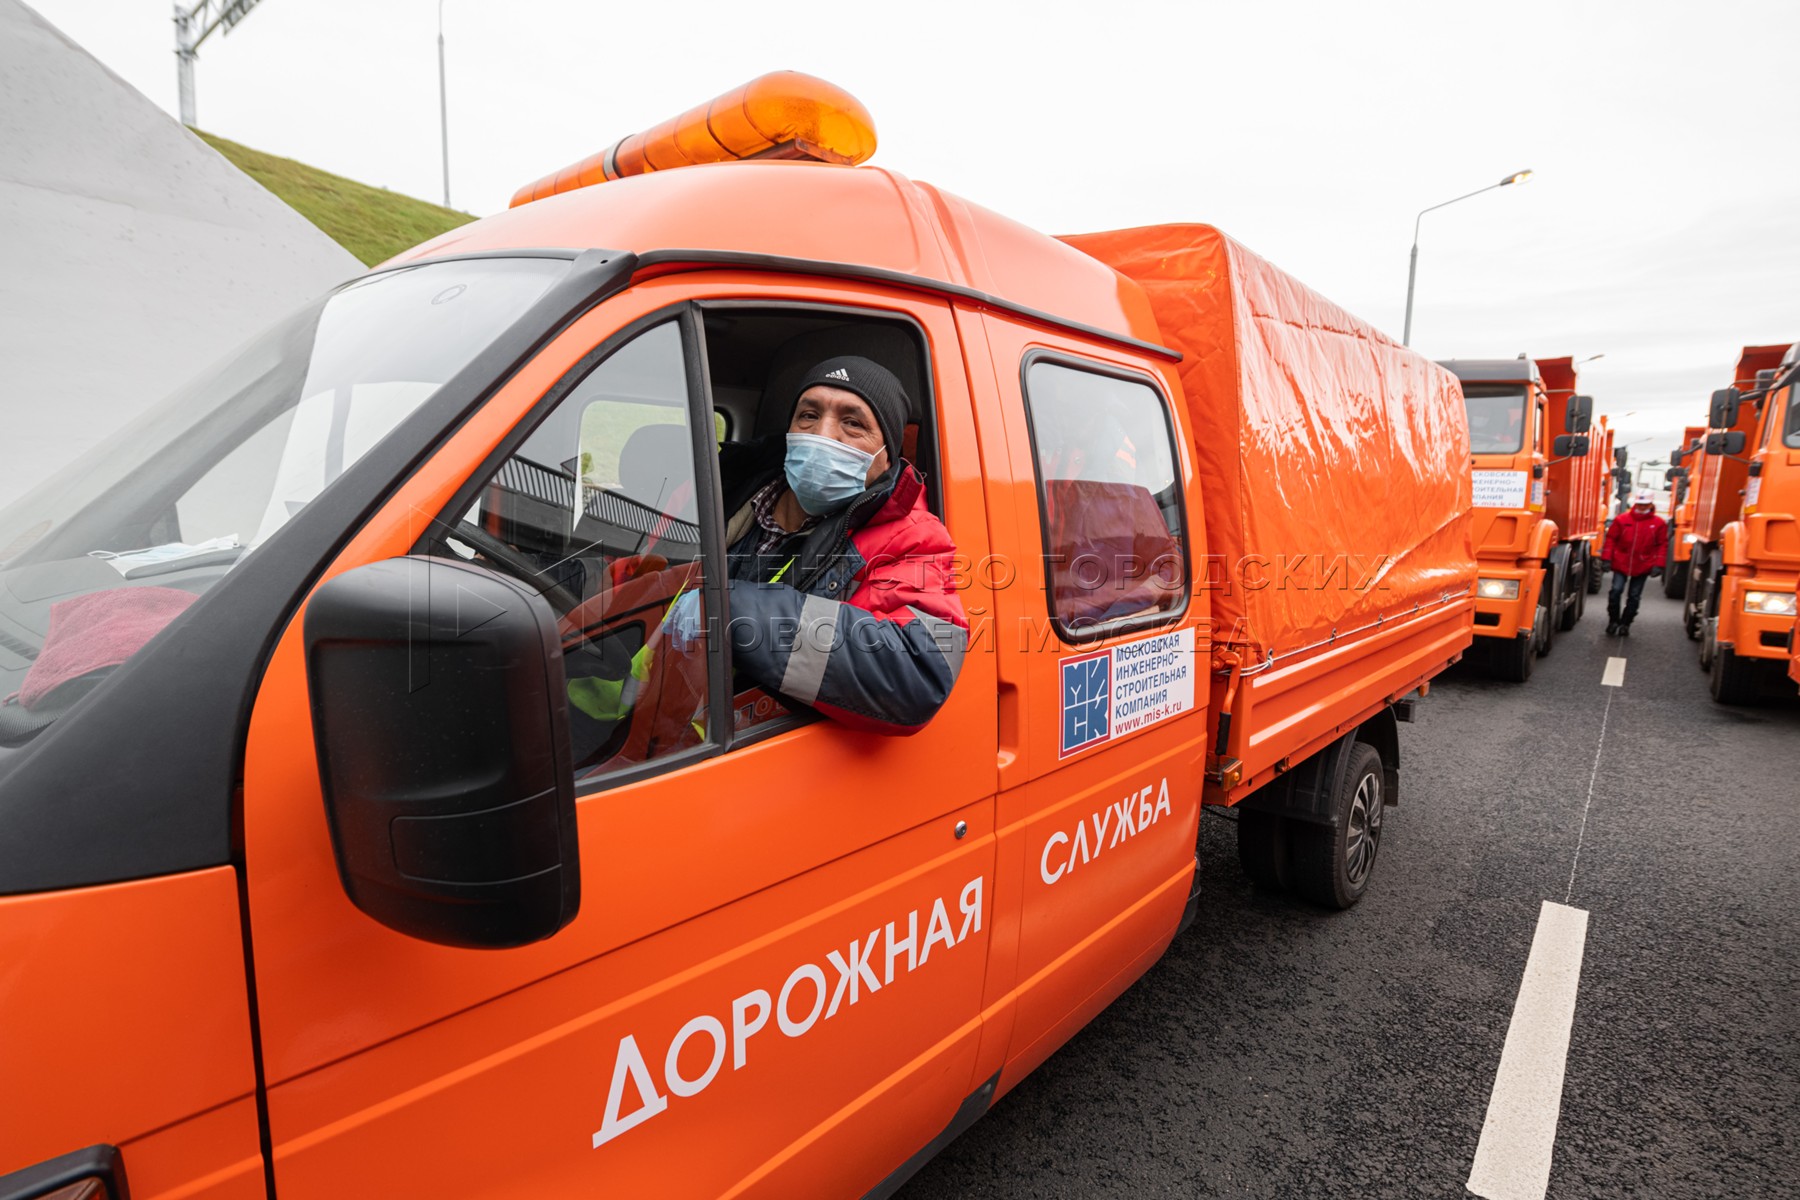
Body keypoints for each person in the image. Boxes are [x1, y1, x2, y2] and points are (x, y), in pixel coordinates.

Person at [694, 355, 967, 734]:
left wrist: (726, 608)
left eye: (853, 423)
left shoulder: (912, 537)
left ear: (886, 453)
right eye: (808, 415)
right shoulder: (714, 493)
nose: (822, 434)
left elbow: (918, 671)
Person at [1601, 489, 1668, 636]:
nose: (1641, 507)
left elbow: (1662, 545)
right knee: (1615, 591)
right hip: (1621, 562)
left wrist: (1659, 564)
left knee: (1634, 596)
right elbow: (1611, 539)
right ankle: (1613, 621)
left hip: (1643, 565)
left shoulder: (1658, 524)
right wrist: (1606, 558)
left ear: (1651, 504)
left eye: (1645, 505)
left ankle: (1625, 623)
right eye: (1639, 504)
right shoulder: (1621, 520)